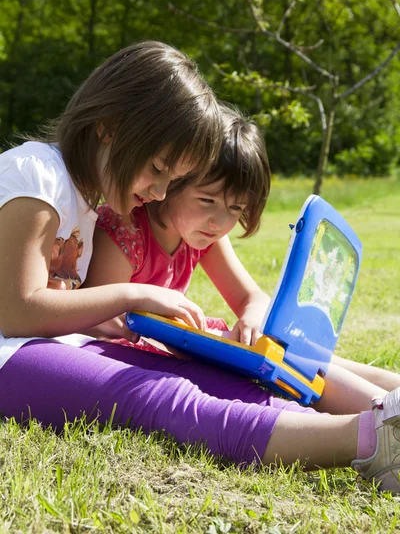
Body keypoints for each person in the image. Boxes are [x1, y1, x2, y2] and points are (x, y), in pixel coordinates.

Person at [83, 104, 400, 492]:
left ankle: (392, 397)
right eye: (207, 201)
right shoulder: (125, 230)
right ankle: (387, 421)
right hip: (149, 355)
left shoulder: (204, 236)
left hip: (189, 342)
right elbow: (102, 325)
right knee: (291, 369)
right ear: (174, 183)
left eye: (235, 209)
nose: (220, 221)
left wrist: (251, 315)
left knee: (300, 357)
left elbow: (250, 296)